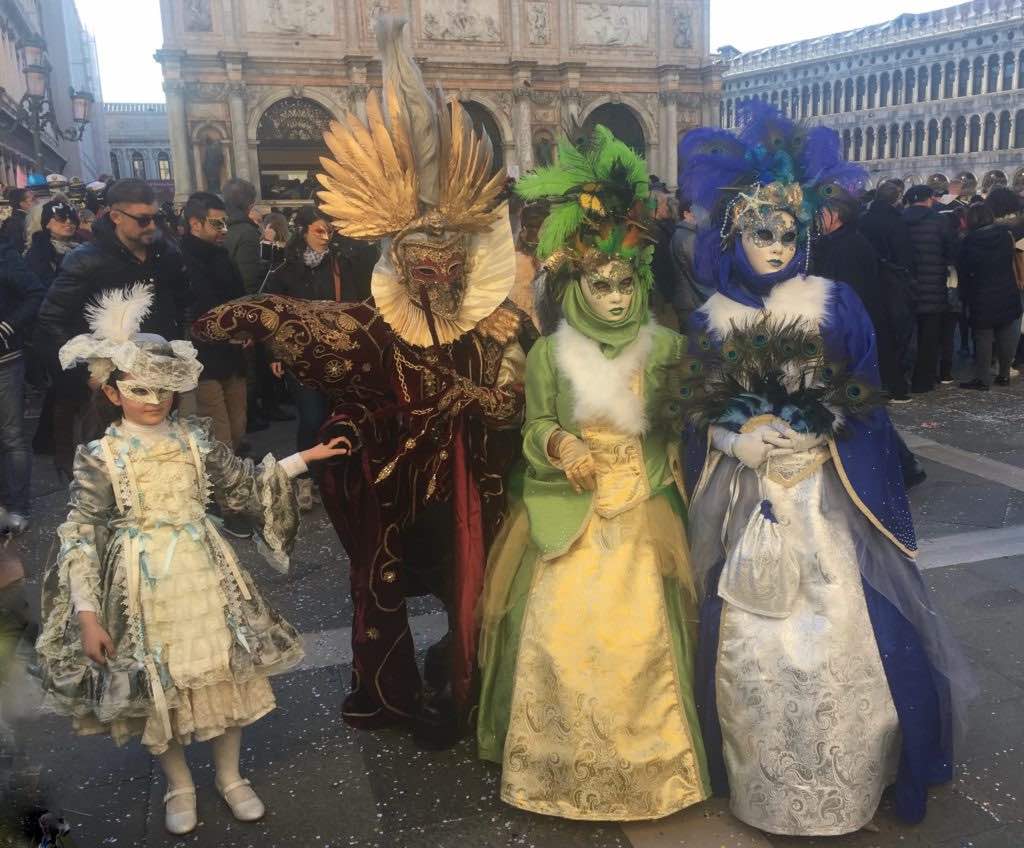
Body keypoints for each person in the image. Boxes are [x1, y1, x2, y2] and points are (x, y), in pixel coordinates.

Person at [193, 16, 530, 749]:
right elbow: (326, 342)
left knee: (473, 585)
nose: (436, 270)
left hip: (473, 482)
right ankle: (396, 688)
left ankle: (465, 680)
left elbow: (520, 401)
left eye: (448, 259)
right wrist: (258, 319)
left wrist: (483, 396)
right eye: (421, 258)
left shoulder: (497, 327)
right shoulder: (373, 325)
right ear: (397, 259)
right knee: (389, 583)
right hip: (396, 478)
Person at [679, 102, 974, 837]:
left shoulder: (836, 307)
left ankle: (849, 773)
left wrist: (823, 430)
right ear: (733, 232)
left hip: (825, 495)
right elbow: (687, 409)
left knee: (845, 628)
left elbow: (865, 390)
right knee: (749, 638)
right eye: (759, 232)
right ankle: (760, 781)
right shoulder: (709, 318)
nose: (775, 247)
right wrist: (732, 439)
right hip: (748, 498)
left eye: (788, 233)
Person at [35, 285, 349, 836]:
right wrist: (87, 614)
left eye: (163, 388)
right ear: (112, 392)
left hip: (205, 572)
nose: (153, 400)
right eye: (139, 389)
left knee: (223, 671)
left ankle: (230, 776)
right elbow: (81, 533)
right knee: (162, 684)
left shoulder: (196, 440)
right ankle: (179, 784)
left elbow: (243, 488)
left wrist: (304, 458)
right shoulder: (100, 457)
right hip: (138, 585)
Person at [476, 127, 710, 821]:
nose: (613, 297)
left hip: (645, 507)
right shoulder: (551, 353)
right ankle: (552, 762)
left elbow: (682, 420)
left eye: (625, 283)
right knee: (556, 626)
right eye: (599, 284)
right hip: (569, 506)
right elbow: (537, 423)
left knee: (643, 635)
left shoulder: (666, 346)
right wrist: (562, 448)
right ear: (575, 285)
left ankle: (657, 761)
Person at [33, 179, 191, 478]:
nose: (151, 226)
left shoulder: (166, 254)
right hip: (110, 386)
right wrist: (89, 373)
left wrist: (176, 350)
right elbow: (51, 318)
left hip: (160, 375)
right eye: (143, 219)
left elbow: (183, 301)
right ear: (116, 216)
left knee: (164, 464)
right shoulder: (86, 259)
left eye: (156, 217)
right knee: (113, 473)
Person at [179, 192, 252, 535]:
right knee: (220, 434)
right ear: (194, 224)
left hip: (233, 357)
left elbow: (238, 299)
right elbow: (193, 310)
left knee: (237, 430)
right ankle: (230, 506)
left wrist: (247, 328)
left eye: (225, 222)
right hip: (204, 360)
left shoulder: (222, 256)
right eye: (216, 222)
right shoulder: (179, 259)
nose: (224, 228)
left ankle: (225, 491)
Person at [222, 179, 292, 432]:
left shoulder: (227, 230)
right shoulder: (247, 234)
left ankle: (256, 410)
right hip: (248, 310)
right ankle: (252, 415)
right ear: (250, 203)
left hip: (232, 307)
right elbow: (252, 280)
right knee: (252, 367)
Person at [0, 242, 45, 534]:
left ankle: (17, 506)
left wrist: (7, 326)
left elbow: (35, 293)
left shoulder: (5, 254)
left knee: (12, 436)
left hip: (5, 361)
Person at [956, 202, 1023, 390]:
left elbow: (964, 269)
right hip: (1007, 290)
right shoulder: (1004, 235)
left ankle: (982, 379)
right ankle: (1004, 374)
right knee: (1006, 334)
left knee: (983, 337)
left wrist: (964, 296)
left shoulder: (968, 241)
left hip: (981, 294)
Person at [859, 180, 915, 401]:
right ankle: (893, 382)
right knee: (894, 333)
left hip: (869, 282)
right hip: (893, 282)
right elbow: (904, 255)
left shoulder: (864, 220)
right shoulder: (896, 222)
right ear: (896, 198)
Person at [903, 184, 957, 393]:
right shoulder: (940, 221)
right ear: (929, 199)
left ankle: (900, 375)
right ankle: (923, 381)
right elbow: (951, 250)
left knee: (905, 335)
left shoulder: (900, 219)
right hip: (934, 286)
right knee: (929, 337)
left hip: (906, 286)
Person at [25, 200, 82, 288]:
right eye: (61, 217)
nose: (68, 221)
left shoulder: (84, 244)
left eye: (73, 217)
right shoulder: (39, 252)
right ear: (47, 223)